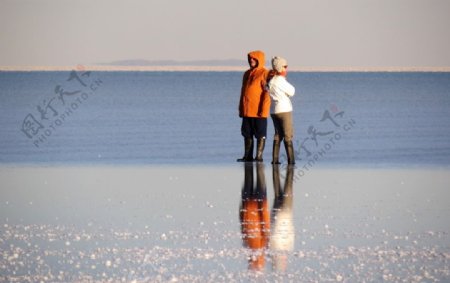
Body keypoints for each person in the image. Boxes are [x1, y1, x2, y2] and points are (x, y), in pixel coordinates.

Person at [237, 50, 270, 162]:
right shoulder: (246, 74)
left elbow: (267, 93)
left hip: (259, 111)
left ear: (259, 60)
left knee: (260, 134)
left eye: (254, 59)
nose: (251, 60)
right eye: (250, 58)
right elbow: (243, 92)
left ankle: (259, 157)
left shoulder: (264, 73)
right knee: (247, 133)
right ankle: (248, 156)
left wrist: (264, 110)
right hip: (247, 110)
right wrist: (241, 108)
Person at [267, 56, 296, 164]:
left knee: (278, 135)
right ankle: (291, 161)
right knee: (288, 135)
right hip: (284, 110)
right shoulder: (280, 81)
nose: (286, 69)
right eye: (285, 66)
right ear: (280, 68)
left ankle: (275, 160)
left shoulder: (271, 81)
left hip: (274, 111)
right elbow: (292, 91)